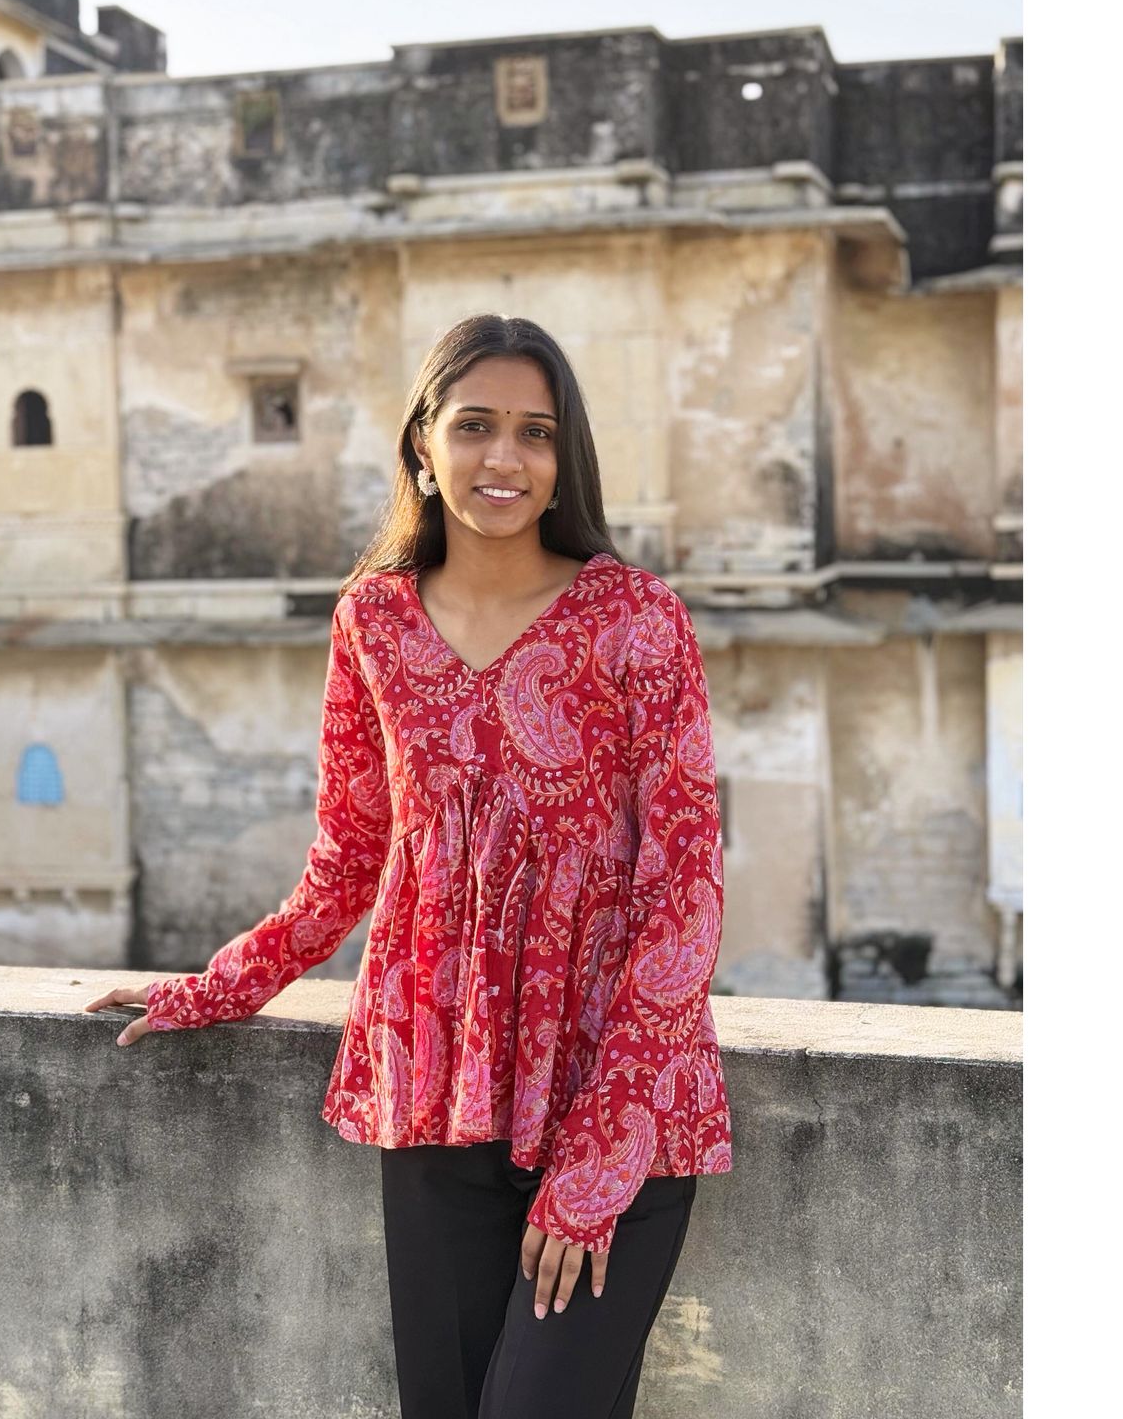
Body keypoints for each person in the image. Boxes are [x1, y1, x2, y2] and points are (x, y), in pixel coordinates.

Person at [87, 313, 731, 1419]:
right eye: (474, 425)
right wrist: (216, 985)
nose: (505, 458)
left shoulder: (637, 620)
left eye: (535, 433)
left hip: (613, 1105)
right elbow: (345, 861)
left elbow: (687, 897)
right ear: (422, 445)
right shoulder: (373, 624)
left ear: (561, 457)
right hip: (435, 1090)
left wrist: (597, 1160)